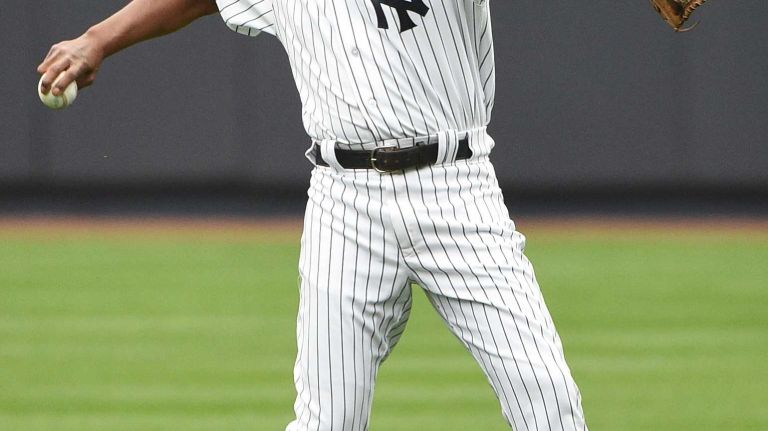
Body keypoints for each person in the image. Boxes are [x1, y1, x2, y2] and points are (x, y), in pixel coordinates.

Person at [38, 0, 589, 429]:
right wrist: (97, 40)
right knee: (329, 422)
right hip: (342, 202)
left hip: (454, 187)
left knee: (547, 402)